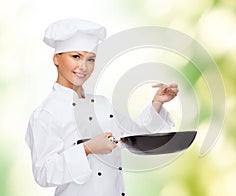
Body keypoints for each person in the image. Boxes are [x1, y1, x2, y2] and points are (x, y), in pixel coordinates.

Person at [25, 18, 179, 196]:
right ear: (56, 59)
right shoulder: (46, 113)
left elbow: (134, 135)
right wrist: (87, 149)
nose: (83, 66)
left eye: (90, 59)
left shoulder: (102, 104)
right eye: (76, 56)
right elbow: (44, 173)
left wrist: (157, 102)